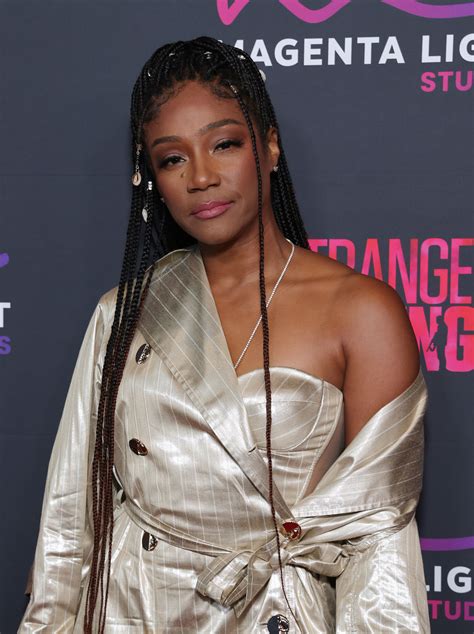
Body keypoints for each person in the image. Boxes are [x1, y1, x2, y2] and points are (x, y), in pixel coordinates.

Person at [18, 36, 430, 633]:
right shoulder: (124, 312)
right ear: (151, 176)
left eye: (224, 144)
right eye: (172, 159)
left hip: (275, 609)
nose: (202, 177)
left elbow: (377, 535)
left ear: (269, 145)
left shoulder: (362, 311)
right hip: (133, 607)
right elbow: (71, 511)